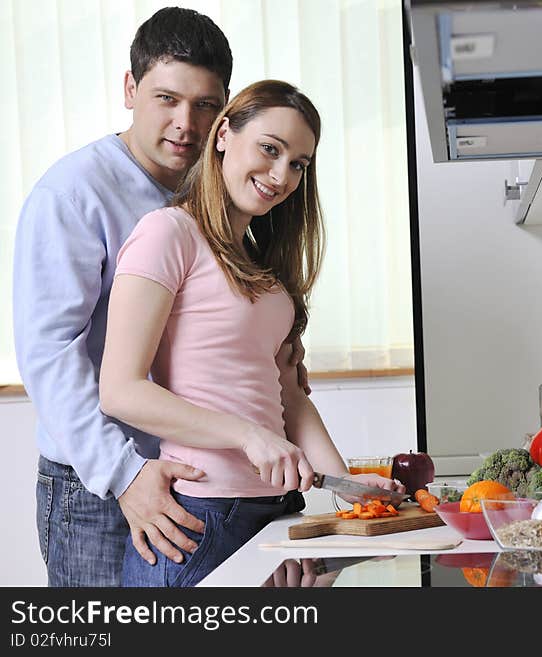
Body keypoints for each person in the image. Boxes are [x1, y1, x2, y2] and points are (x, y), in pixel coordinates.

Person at [98, 79, 406, 587]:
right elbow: (120, 390)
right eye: (270, 149)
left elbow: (288, 395)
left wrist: (347, 485)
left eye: (298, 164)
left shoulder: (262, 267)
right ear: (223, 135)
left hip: (277, 511)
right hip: (201, 522)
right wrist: (250, 437)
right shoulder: (167, 233)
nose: (281, 175)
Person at [12, 7, 251, 587]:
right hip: (98, 484)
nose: (185, 124)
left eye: (204, 105)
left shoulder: (218, 189)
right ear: (130, 88)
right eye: (166, 98)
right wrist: (124, 475)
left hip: (197, 476)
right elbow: (50, 353)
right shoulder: (73, 193)